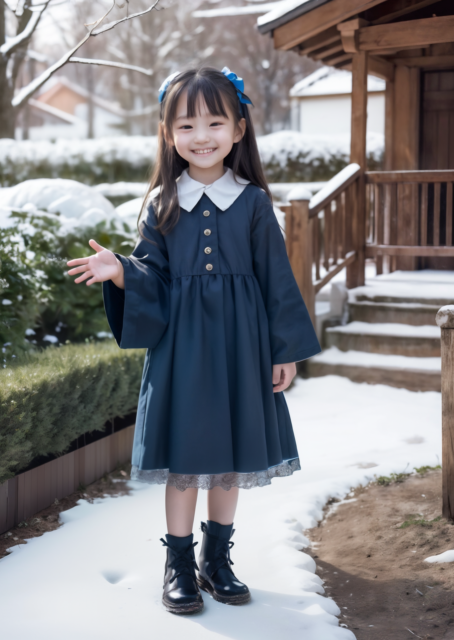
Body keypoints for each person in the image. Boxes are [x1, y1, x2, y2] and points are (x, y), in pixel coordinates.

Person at [66, 66, 321, 615]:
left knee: (228, 455)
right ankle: (178, 562)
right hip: (181, 352)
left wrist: (284, 350)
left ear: (238, 128)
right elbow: (152, 278)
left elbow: (277, 277)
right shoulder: (163, 202)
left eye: (214, 121)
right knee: (185, 457)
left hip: (240, 349)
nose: (200, 136)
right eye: (186, 125)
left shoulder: (252, 203)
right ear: (167, 133)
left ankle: (216, 558)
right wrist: (120, 272)